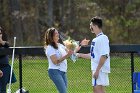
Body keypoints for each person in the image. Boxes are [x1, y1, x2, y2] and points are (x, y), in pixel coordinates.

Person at [77, 16, 110, 93]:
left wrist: (97, 70)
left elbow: (104, 55)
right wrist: (78, 54)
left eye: (91, 26)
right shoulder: (96, 39)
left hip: (100, 69)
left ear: (95, 26)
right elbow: (93, 56)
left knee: (98, 90)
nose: (90, 27)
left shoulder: (103, 38)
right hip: (96, 69)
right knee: (97, 90)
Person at [44, 27, 73, 93]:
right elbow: (55, 62)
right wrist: (67, 55)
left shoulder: (60, 45)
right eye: (55, 33)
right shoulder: (50, 48)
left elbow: (71, 52)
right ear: (51, 36)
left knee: (62, 91)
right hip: (54, 72)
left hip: (63, 72)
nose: (58, 34)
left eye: (57, 33)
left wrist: (81, 45)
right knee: (63, 92)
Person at [0, 26, 16, 93]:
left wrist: (1, 41)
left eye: (0, 33)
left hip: (5, 69)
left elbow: (8, 45)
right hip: (0, 70)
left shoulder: (3, 44)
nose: (0, 35)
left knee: (3, 89)